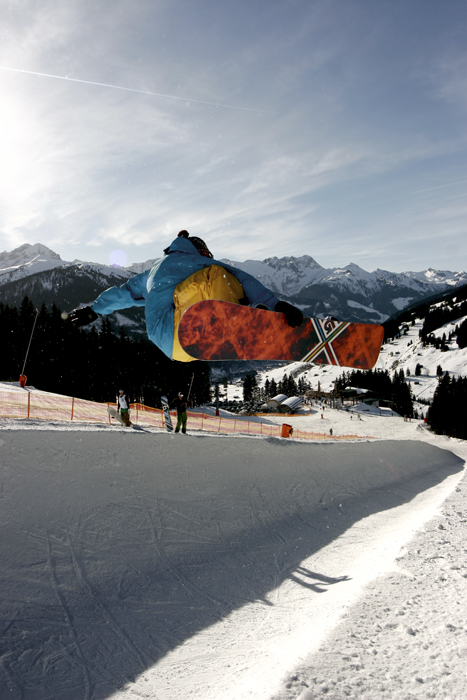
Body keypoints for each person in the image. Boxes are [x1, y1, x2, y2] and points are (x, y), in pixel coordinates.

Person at [68, 231, 303, 362]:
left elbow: (124, 294)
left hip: (174, 347)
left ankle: (230, 323)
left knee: (199, 288)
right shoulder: (197, 261)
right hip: (179, 329)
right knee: (219, 275)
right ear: (200, 251)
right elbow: (241, 277)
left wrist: (94, 309)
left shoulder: (151, 272)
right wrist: (276, 304)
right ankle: (239, 320)